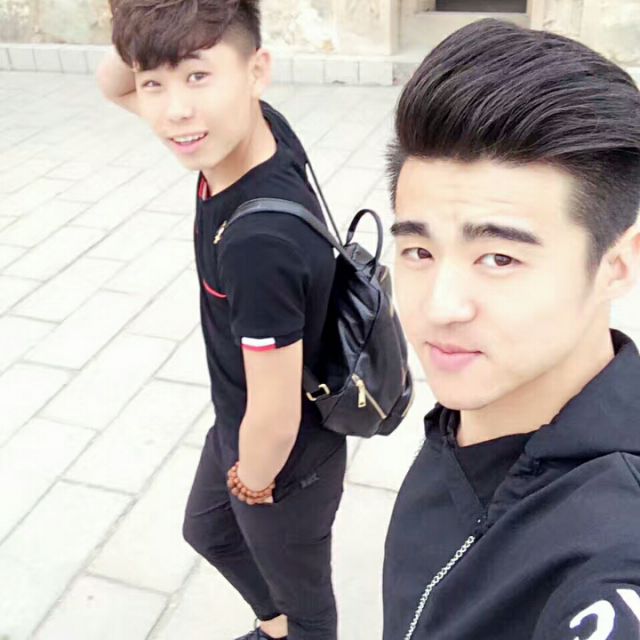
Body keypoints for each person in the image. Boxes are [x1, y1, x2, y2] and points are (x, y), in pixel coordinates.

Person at [383, 18, 640, 640]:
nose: (441, 306)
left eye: (499, 258)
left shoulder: (612, 553)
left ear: (618, 265)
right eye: (419, 251)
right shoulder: (473, 414)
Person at [97, 2, 346, 639]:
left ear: (257, 70)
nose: (175, 111)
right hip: (240, 421)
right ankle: (274, 628)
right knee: (208, 530)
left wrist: (252, 482)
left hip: (287, 459)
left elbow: (276, 415)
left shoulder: (257, 244)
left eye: (197, 76)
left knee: (309, 608)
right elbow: (113, 83)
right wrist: (142, 22)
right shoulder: (254, 128)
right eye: (154, 82)